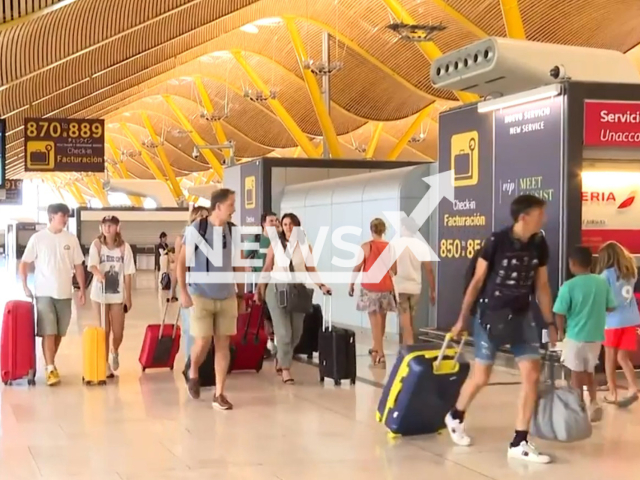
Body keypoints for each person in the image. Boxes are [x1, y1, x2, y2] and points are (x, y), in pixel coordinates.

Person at [446, 194, 557, 464]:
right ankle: (456, 415)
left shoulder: (539, 245)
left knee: (531, 374)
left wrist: (550, 322)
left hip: (521, 316)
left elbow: (541, 285)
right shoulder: (496, 242)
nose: (544, 218)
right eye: (539, 214)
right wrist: (463, 319)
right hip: (490, 315)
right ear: (523, 217)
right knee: (481, 376)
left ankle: (519, 441)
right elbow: (477, 281)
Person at [178, 188, 245, 410]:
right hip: (201, 295)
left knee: (223, 344)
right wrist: (184, 292)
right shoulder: (198, 228)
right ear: (218, 207)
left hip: (226, 295)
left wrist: (241, 294)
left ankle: (219, 393)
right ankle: (193, 370)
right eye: (231, 204)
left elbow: (239, 264)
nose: (234, 208)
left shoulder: (233, 231)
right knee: (203, 341)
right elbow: (181, 263)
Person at [257, 213, 331, 384]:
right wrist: (259, 289)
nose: (288, 227)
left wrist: (322, 285)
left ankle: (281, 358)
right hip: (277, 290)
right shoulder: (276, 244)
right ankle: (285, 369)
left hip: (298, 292)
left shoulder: (305, 247)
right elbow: (267, 268)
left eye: (291, 224)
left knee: (296, 334)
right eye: (284, 224)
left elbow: (311, 269)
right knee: (283, 333)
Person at [19, 203, 86, 386]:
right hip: (44, 293)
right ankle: (49, 368)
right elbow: (24, 263)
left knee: (58, 334)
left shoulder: (71, 239)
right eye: (61, 215)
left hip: (64, 293)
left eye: (66, 216)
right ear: (51, 216)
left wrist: (82, 289)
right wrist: (25, 286)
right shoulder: (38, 238)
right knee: (49, 331)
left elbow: (79, 265)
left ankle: (51, 363)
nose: (64, 219)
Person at [553, 246, 615, 422]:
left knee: (575, 373)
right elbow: (611, 306)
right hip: (595, 336)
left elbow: (559, 312)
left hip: (575, 336)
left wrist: (560, 332)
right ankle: (593, 402)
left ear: (572, 264)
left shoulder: (569, 286)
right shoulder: (601, 283)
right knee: (589, 371)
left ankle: (578, 404)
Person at [87, 215, 136, 378]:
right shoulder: (97, 245)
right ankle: (105, 363)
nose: (108, 228)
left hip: (117, 295)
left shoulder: (124, 248)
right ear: (101, 227)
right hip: (99, 294)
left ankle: (114, 350)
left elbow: (128, 274)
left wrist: (128, 297)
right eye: (105, 225)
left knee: (118, 331)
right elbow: (92, 265)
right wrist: (98, 274)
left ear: (117, 228)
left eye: (111, 225)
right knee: (104, 329)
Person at [596, 241, 640, 407]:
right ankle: (633, 387)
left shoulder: (605, 276)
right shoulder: (631, 273)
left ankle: (612, 392)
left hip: (612, 321)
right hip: (630, 320)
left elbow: (603, 301)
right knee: (623, 357)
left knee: (609, 358)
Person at [349, 218, 396, 366]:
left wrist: (351, 284)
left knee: (374, 323)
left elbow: (357, 267)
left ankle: (380, 353)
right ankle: (376, 348)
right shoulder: (390, 247)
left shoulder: (366, 247)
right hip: (386, 287)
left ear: (371, 230)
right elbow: (394, 270)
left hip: (371, 288)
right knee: (381, 323)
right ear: (384, 231)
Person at [394, 216, 436, 345]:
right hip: (415, 288)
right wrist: (432, 290)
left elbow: (389, 267)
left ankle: (409, 347)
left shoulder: (395, 244)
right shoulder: (422, 246)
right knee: (410, 320)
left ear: (404, 227)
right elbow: (429, 270)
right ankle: (409, 345)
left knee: (405, 321)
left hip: (400, 287)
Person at [175, 206, 209, 358]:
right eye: (200, 216)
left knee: (204, 328)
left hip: (205, 286)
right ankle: (190, 360)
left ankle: (203, 360)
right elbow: (180, 264)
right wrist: (179, 289)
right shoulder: (183, 238)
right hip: (189, 285)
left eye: (206, 216)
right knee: (189, 327)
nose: (203, 219)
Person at [245, 212, 278, 356]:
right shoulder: (257, 240)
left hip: (277, 282)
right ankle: (264, 343)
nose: (275, 223)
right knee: (263, 313)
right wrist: (249, 267)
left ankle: (275, 342)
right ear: (263, 223)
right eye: (271, 221)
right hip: (261, 282)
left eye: (276, 221)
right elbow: (243, 257)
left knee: (274, 313)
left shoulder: (280, 240)